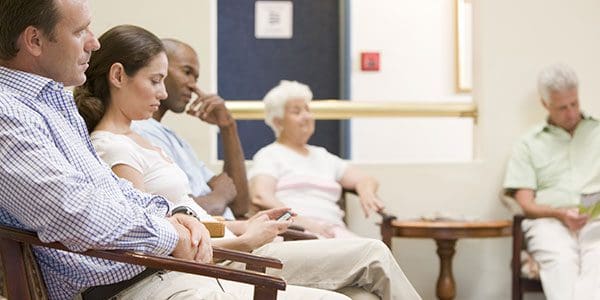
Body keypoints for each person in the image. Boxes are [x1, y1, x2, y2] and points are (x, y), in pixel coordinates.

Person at [76, 32, 422, 300]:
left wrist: (243, 227)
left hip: (231, 246)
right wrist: (244, 241)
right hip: (218, 261)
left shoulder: (146, 140)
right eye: (155, 80)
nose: (163, 93)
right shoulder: (110, 146)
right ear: (118, 76)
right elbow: (153, 240)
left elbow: (187, 214)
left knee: (362, 292)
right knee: (372, 256)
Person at [0, 1, 216, 299]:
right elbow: (71, 211)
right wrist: (169, 234)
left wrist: (170, 214)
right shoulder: (6, 111)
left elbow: (111, 189)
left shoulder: (51, 101)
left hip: (152, 274)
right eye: (80, 31)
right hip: (118, 289)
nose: (94, 42)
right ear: (35, 40)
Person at [503, 63, 600, 300]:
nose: (571, 113)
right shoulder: (528, 144)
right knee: (561, 263)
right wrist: (560, 214)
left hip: (596, 222)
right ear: (545, 104)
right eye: (562, 108)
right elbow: (525, 203)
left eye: (574, 104)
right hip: (549, 224)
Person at [248, 80, 385, 238]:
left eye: (307, 109)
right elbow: (261, 196)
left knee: (376, 250)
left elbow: (366, 179)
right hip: (295, 233)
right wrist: (305, 223)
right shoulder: (270, 154)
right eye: (296, 112)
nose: (306, 116)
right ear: (278, 122)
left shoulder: (323, 156)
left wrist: (366, 191)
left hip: (332, 231)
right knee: (372, 253)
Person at [131, 38, 247, 220]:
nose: (193, 85)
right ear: (160, 69)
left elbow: (240, 205)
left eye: (196, 77)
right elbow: (173, 210)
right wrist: (218, 197)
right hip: (213, 243)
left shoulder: (174, 138)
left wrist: (228, 127)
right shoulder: (139, 130)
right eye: (187, 72)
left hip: (236, 234)